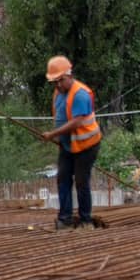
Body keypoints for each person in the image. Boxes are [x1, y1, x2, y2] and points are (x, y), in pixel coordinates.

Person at [41, 55, 102, 228]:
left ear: (69, 75)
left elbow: (77, 122)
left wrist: (52, 134)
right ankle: (65, 219)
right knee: (63, 179)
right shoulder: (58, 94)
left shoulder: (80, 94)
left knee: (81, 180)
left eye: (61, 80)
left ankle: (85, 220)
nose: (58, 85)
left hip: (86, 146)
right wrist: (58, 137)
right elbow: (61, 116)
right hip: (68, 146)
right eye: (55, 82)